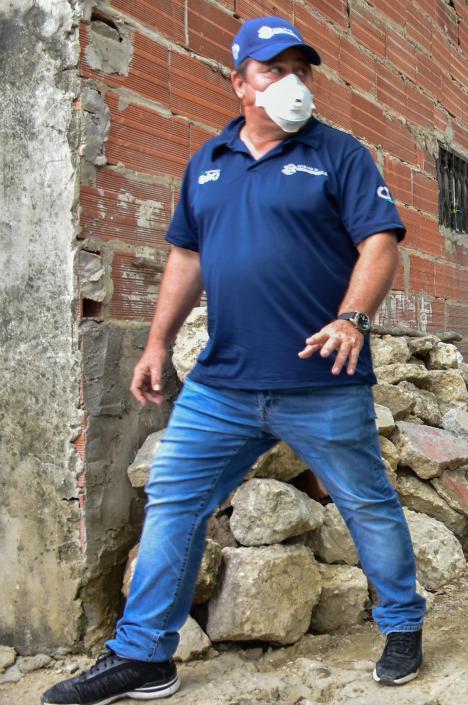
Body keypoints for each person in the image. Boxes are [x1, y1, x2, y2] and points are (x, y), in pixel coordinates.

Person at [43, 18, 427, 705]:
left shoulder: (340, 153)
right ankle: (144, 654)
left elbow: (380, 245)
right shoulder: (207, 159)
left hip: (322, 381)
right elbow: (186, 256)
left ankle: (402, 625)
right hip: (221, 383)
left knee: (368, 503)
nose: (292, 83)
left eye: (301, 70)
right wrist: (157, 341)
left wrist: (352, 317)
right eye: (274, 70)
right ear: (240, 81)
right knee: (173, 499)